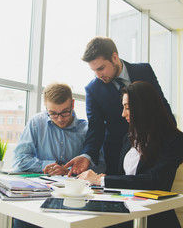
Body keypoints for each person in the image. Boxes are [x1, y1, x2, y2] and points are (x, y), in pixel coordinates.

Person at [78, 81, 183, 228]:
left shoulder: (175, 140)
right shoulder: (129, 137)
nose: (123, 113)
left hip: (153, 216)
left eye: (127, 107)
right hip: (124, 210)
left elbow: (154, 180)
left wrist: (102, 180)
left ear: (144, 107)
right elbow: (123, 177)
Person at [65, 37, 175, 176]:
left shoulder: (144, 71)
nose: (98, 75)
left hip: (154, 148)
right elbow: (96, 128)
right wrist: (87, 155)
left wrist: (173, 139)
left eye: (101, 68)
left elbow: (161, 105)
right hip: (117, 156)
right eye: (94, 71)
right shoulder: (93, 89)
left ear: (115, 57)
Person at [12, 82, 88, 176]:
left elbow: (100, 165)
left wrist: (68, 171)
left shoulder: (86, 129)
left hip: (74, 187)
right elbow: (19, 160)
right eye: (53, 113)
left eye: (65, 112)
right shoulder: (36, 123)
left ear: (72, 104)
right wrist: (52, 166)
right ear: (46, 107)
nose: (60, 119)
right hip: (42, 186)